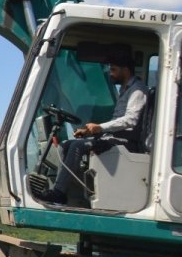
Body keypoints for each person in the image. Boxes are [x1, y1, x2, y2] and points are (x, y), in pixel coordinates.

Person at [37, 52, 149, 205]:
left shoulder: (137, 90)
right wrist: (88, 131)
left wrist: (99, 128)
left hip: (125, 141)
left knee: (77, 146)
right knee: (65, 145)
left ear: (125, 70)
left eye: (113, 70)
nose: (110, 74)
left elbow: (131, 120)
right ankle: (62, 190)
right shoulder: (125, 89)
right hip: (113, 137)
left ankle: (58, 193)